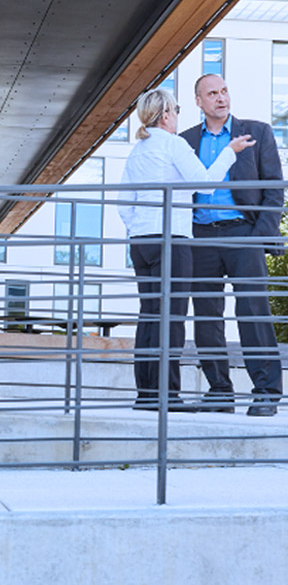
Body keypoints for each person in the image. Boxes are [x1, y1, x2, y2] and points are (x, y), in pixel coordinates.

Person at [118, 88, 255, 410]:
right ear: (165, 115)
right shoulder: (173, 144)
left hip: (142, 241)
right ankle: (168, 396)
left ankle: (147, 395)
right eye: (176, 110)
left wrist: (139, 229)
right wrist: (230, 151)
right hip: (172, 240)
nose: (178, 116)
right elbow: (205, 183)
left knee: (150, 316)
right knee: (172, 318)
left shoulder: (138, 150)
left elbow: (125, 204)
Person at [181, 74, 284, 416]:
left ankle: (267, 392)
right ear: (199, 101)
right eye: (212, 93)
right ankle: (220, 392)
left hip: (244, 234)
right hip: (201, 238)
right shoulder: (186, 141)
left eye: (224, 91)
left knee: (253, 313)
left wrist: (260, 237)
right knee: (207, 318)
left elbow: (274, 188)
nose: (221, 98)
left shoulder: (257, 133)